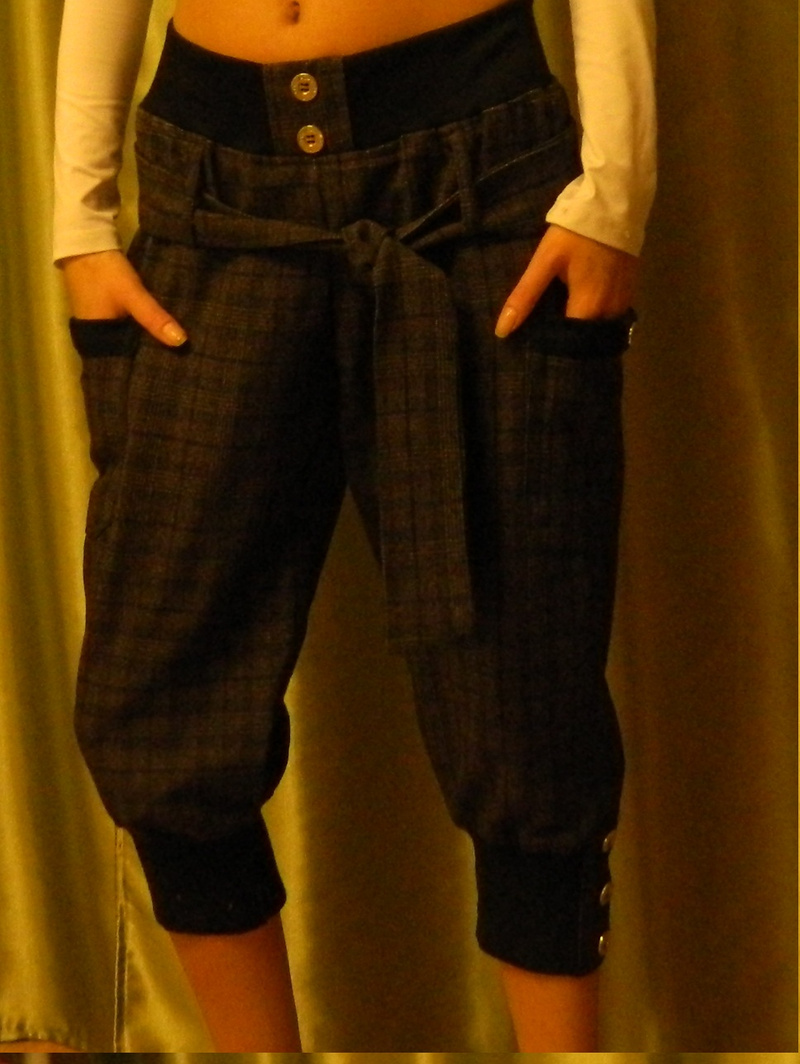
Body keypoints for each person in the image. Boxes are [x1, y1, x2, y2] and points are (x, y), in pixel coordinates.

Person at [53, 0, 656, 1051]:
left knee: (521, 700)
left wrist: (614, 194)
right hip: (211, 193)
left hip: (476, 181)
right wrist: (79, 219)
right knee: (160, 700)